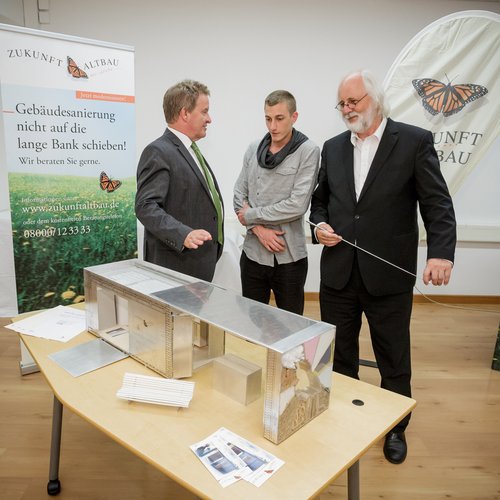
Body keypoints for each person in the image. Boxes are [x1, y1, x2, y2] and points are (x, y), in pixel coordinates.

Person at [309, 70, 456, 464]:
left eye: (353, 101)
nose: (346, 109)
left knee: (393, 357)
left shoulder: (413, 141)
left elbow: (437, 203)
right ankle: (344, 420)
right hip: (338, 272)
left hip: (389, 274)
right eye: (341, 103)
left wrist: (441, 254)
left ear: (375, 100)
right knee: (340, 354)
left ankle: (395, 427)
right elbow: (320, 202)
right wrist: (319, 226)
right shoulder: (333, 147)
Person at [233, 90, 320, 314]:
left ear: (294, 117)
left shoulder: (308, 151)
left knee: (291, 325)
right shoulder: (253, 148)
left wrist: (251, 216)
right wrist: (258, 229)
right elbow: (238, 195)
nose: (273, 126)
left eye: (279, 118)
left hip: (289, 259)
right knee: (251, 322)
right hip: (252, 255)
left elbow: (297, 205)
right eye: (268, 118)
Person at [135, 79, 224, 282]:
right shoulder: (158, 151)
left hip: (197, 264)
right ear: (185, 113)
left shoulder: (190, 150)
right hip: (176, 266)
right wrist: (183, 234)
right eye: (204, 111)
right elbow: (145, 207)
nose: (209, 119)